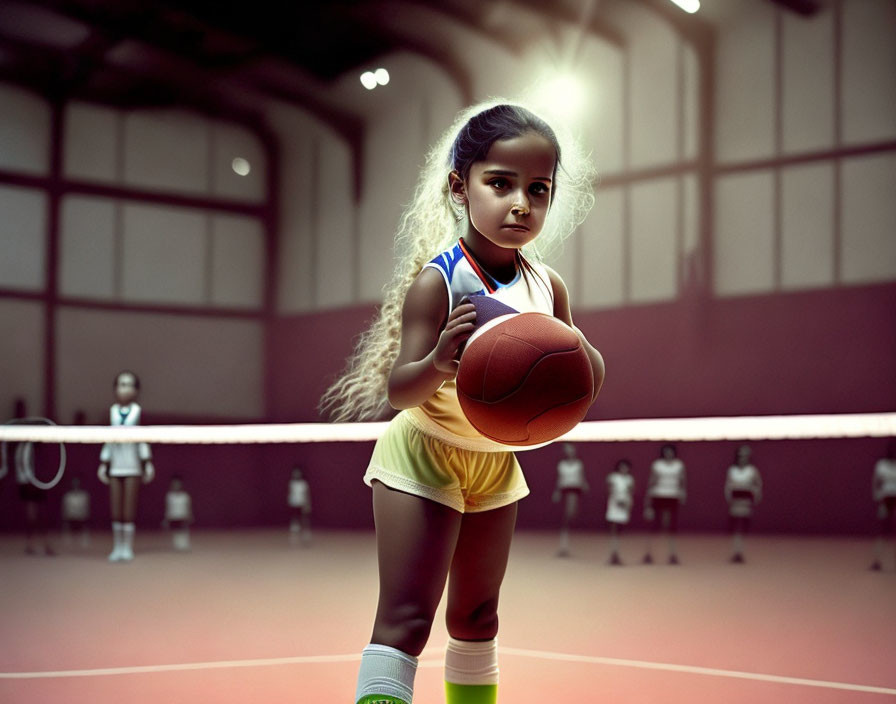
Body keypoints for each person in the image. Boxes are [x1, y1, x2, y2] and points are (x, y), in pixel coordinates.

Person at [320, 102, 602, 704]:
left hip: (496, 461)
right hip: (424, 453)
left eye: (538, 189)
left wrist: (572, 357)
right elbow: (401, 389)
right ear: (460, 186)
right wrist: (440, 362)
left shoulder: (547, 286)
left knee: (477, 619)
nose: (520, 203)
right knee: (407, 621)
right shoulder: (441, 280)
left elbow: (589, 372)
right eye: (500, 183)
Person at [97, 370, 154, 562]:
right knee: (116, 508)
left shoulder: (138, 412)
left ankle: (127, 547)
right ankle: (117, 547)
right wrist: (103, 463)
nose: (125, 388)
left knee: (128, 508)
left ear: (136, 390)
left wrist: (147, 463)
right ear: (115, 388)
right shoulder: (111, 412)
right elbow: (107, 440)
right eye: (121, 384)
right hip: (115, 465)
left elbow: (143, 440)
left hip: (132, 465)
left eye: (129, 384)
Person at [1, 398, 55, 556]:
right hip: (24, 481)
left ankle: (45, 544)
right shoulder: (14, 440)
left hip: (34, 480)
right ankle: (31, 544)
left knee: (40, 514)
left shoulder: (33, 441)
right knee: (31, 515)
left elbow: (44, 432)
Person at [642, 443, 686, 565]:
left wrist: (682, 493)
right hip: (658, 495)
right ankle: (648, 554)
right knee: (654, 526)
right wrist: (648, 501)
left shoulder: (679, 465)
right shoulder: (657, 465)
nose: (668, 454)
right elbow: (651, 481)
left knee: (672, 527)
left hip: (673, 496)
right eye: (666, 451)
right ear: (663, 453)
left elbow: (683, 480)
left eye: (670, 451)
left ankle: (672, 555)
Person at [724, 444, 762, 563]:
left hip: (746, 501)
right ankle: (736, 551)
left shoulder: (752, 470)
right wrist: (728, 496)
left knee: (743, 526)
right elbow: (728, 485)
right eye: (741, 455)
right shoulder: (732, 470)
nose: (743, 458)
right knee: (735, 527)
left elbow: (758, 485)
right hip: (735, 501)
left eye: (745, 456)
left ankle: (741, 552)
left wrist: (756, 495)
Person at [552, 442, 588, 557]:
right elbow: (560, 479)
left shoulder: (578, 464)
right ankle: (564, 545)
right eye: (567, 449)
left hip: (575, 490)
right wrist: (557, 492)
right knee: (565, 517)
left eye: (571, 449)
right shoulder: (561, 464)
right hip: (564, 490)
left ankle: (567, 543)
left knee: (571, 515)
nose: (569, 451)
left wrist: (584, 485)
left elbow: (582, 478)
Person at [870, 438, 896, 571]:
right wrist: (877, 495)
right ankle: (877, 561)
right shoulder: (882, 465)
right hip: (886, 499)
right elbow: (875, 482)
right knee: (883, 531)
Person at [605, 459, 634, 566]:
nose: (624, 469)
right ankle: (613, 553)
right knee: (613, 528)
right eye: (622, 467)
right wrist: (617, 500)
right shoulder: (613, 477)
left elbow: (631, 492)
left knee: (620, 529)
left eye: (626, 467)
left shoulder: (630, 479)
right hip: (614, 504)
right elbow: (610, 490)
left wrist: (628, 503)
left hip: (624, 504)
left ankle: (617, 554)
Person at [161, 474, 193, 551]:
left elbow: (188, 507)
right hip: (173, 517)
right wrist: (166, 519)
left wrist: (190, 516)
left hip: (183, 517)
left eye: (178, 484)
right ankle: (177, 545)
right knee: (175, 532)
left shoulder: (185, 496)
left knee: (183, 531)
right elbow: (167, 508)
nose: (176, 486)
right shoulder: (169, 496)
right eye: (174, 484)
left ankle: (184, 545)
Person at [61, 476, 91, 548]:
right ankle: (67, 543)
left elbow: (86, 508)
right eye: (74, 484)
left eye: (77, 484)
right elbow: (65, 509)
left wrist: (84, 517)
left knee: (85, 526)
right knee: (67, 526)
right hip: (71, 518)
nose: (76, 486)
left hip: (81, 518)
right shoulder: (67, 496)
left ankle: (85, 543)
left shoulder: (84, 495)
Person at [288, 465, 312, 546]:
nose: (296, 474)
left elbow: (306, 494)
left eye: (298, 473)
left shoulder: (303, 483)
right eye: (295, 473)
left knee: (304, 517)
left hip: (302, 502)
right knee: (295, 517)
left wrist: (307, 504)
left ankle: (305, 533)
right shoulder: (291, 483)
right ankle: (295, 531)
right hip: (294, 502)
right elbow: (290, 492)